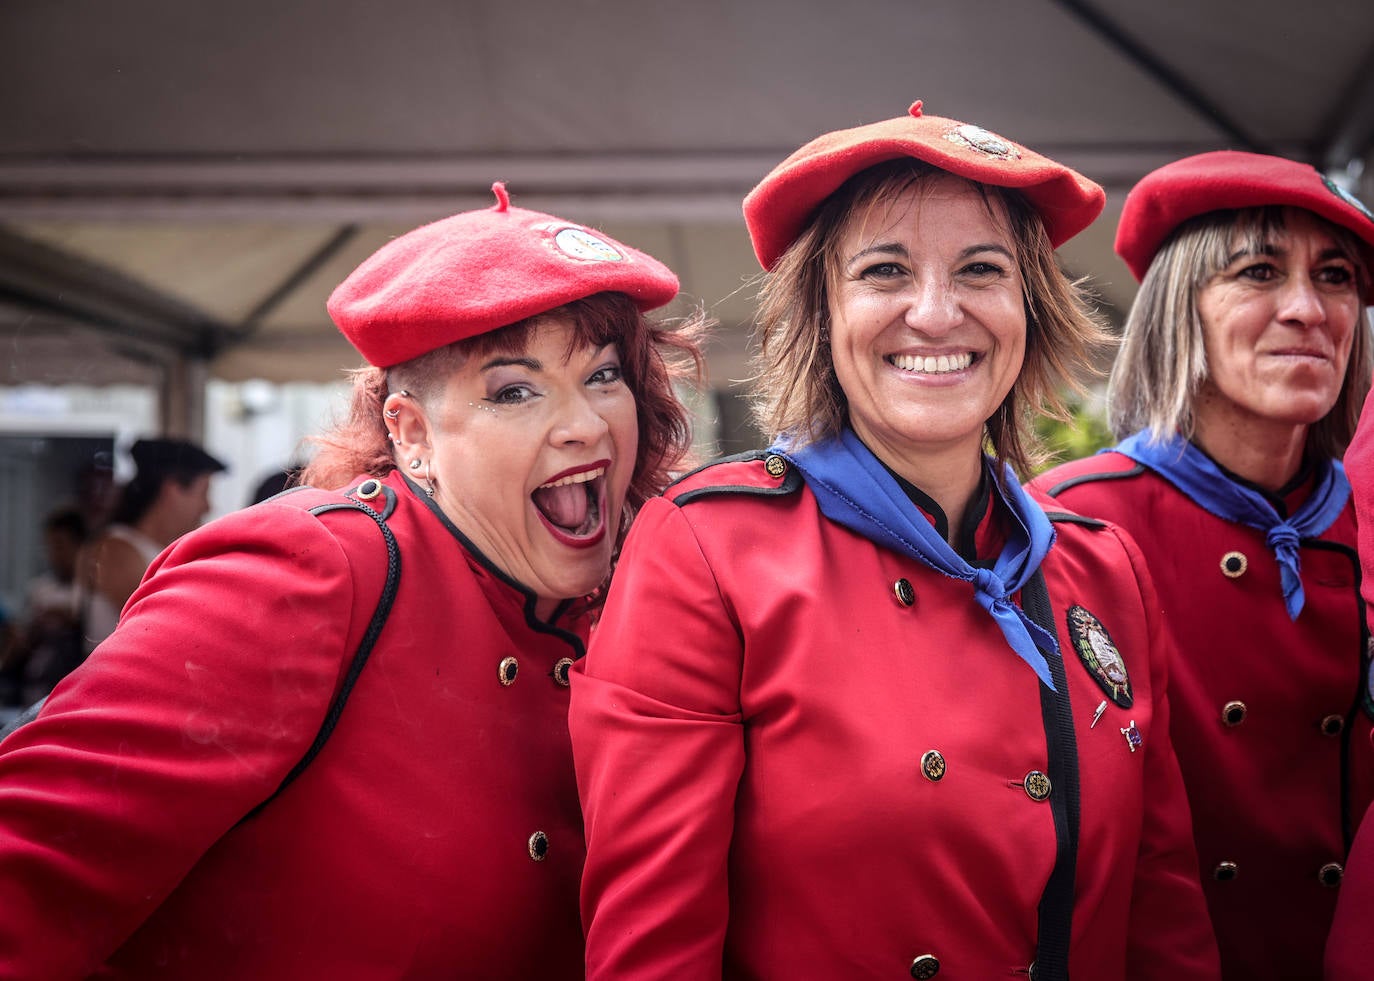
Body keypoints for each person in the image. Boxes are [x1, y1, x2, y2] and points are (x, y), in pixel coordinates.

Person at [571, 101, 1220, 980]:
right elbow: (655, 954)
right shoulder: (707, 552)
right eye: (885, 271)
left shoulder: (1105, 569)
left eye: (981, 269)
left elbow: (1164, 916)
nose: (937, 313)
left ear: (1030, 307)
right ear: (821, 313)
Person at [0, 183, 701, 978]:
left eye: (604, 375)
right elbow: (26, 862)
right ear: (412, 434)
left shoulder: (623, 602)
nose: (584, 423)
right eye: (515, 389)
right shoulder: (308, 571)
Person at [1028, 151, 1374, 981]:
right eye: (1259, 271)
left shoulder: (1368, 516)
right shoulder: (1067, 524)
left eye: (1334, 277)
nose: (1307, 308)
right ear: (1180, 307)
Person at [77, 437, 227, 649]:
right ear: (171, 490)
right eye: (203, 493)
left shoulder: (160, 549)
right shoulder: (115, 549)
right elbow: (173, 622)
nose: (207, 507)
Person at [2, 506, 87, 706]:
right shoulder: (40, 590)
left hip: (73, 687)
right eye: (50, 546)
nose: (54, 554)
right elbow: (22, 642)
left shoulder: (93, 593)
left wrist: (68, 617)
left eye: (61, 545)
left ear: (81, 545)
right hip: (33, 687)